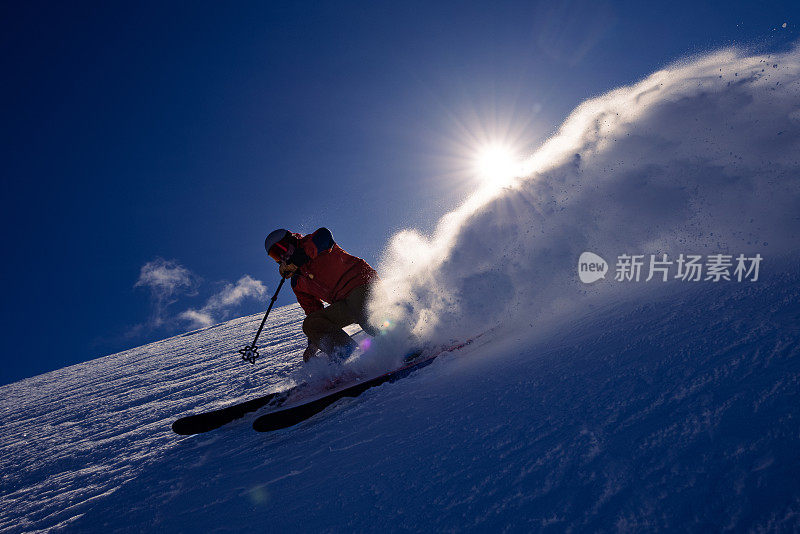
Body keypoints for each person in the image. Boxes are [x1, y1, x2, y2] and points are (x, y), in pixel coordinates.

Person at [264, 228, 379, 362]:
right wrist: (314, 344)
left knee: (365, 313)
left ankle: (400, 340)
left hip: (362, 284)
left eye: (281, 249)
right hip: (344, 304)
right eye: (276, 255)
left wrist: (300, 257)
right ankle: (342, 349)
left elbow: (324, 236)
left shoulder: (312, 244)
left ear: (291, 240)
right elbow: (313, 310)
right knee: (311, 323)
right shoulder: (297, 281)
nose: (282, 256)